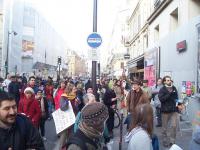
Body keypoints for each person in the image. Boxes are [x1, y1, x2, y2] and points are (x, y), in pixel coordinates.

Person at [158, 76, 178, 147]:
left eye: (170, 80)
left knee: (174, 126)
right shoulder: (162, 89)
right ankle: (165, 141)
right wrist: (169, 93)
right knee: (164, 128)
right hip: (165, 111)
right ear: (164, 82)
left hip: (173, 110)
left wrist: (178, 105)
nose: (169, 81)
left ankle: (172, 141)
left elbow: (176, 98)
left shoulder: (174, 88)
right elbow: (161, 99)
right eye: (167, 80)